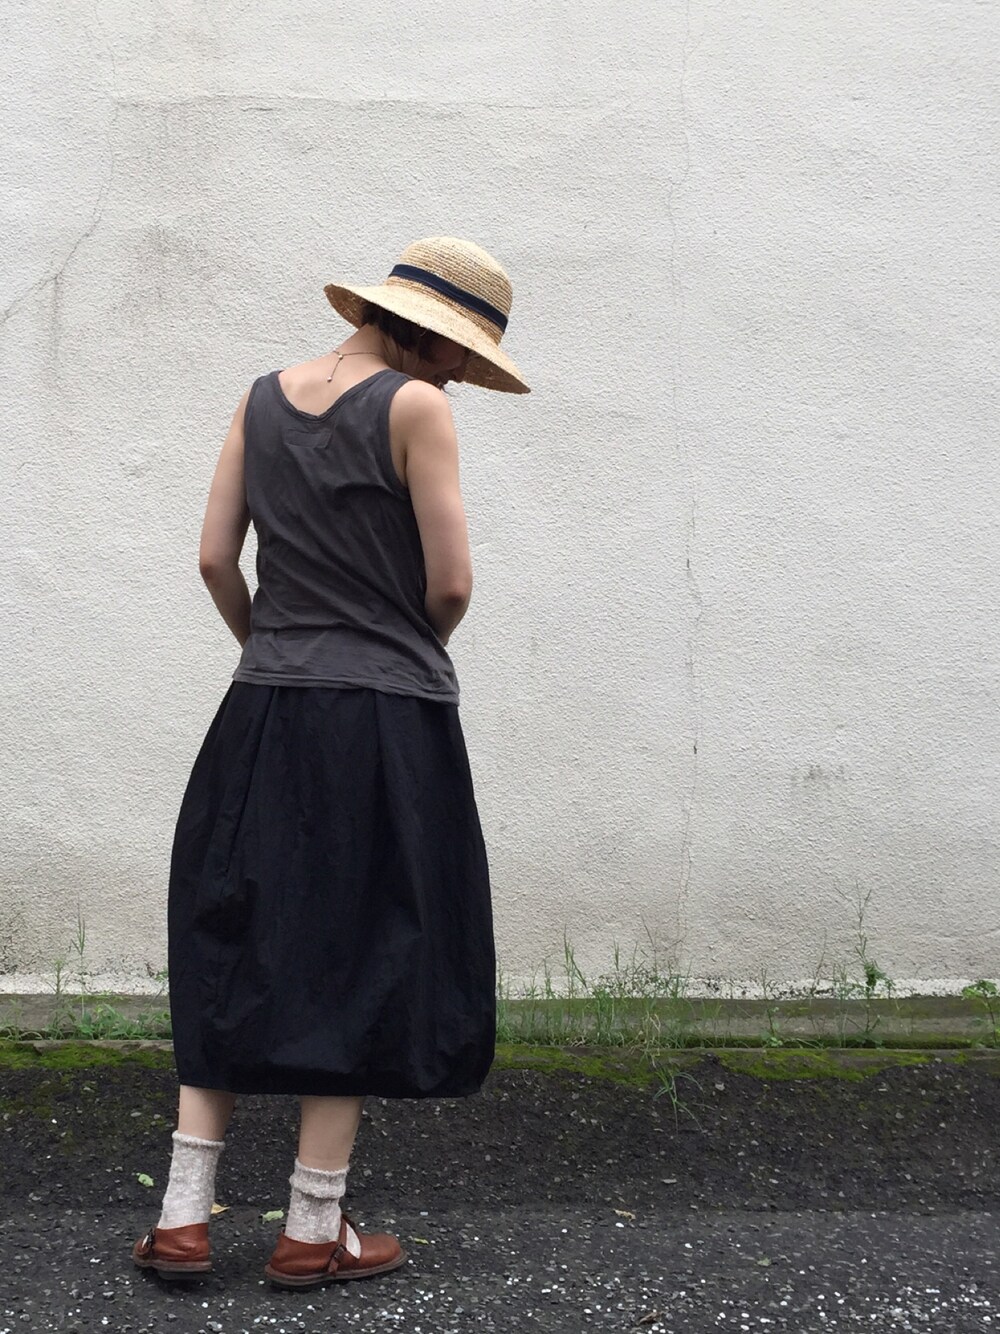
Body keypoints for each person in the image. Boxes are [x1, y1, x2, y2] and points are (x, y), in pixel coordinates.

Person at [132, 237, 529, 1290]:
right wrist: (395, 647)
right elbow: (452, 584)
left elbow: (214, 557)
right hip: (384, 719)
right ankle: (312, 1227)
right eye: (461, 353)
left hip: (261, 704)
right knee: (354, 947)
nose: (459, 376)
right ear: (429, 335)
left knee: (228, 931)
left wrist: (270, 642)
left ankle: (182, 1218)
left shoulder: (261, 396)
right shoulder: (417, 406)